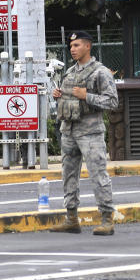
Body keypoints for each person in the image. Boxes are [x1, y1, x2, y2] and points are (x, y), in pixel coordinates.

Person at [50, 30, 119, 235]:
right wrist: (59, 96)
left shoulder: (100, 72)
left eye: (77, 45)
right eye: (71, 46)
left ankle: (107, 219)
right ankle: (71, 218)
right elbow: (69, 99)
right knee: (68, 175)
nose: (72, 49)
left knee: (98, 174)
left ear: (88, 46)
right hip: (68, 130)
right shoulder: (70, 72)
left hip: (90, 132)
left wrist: (87, 96)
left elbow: (112, 101)